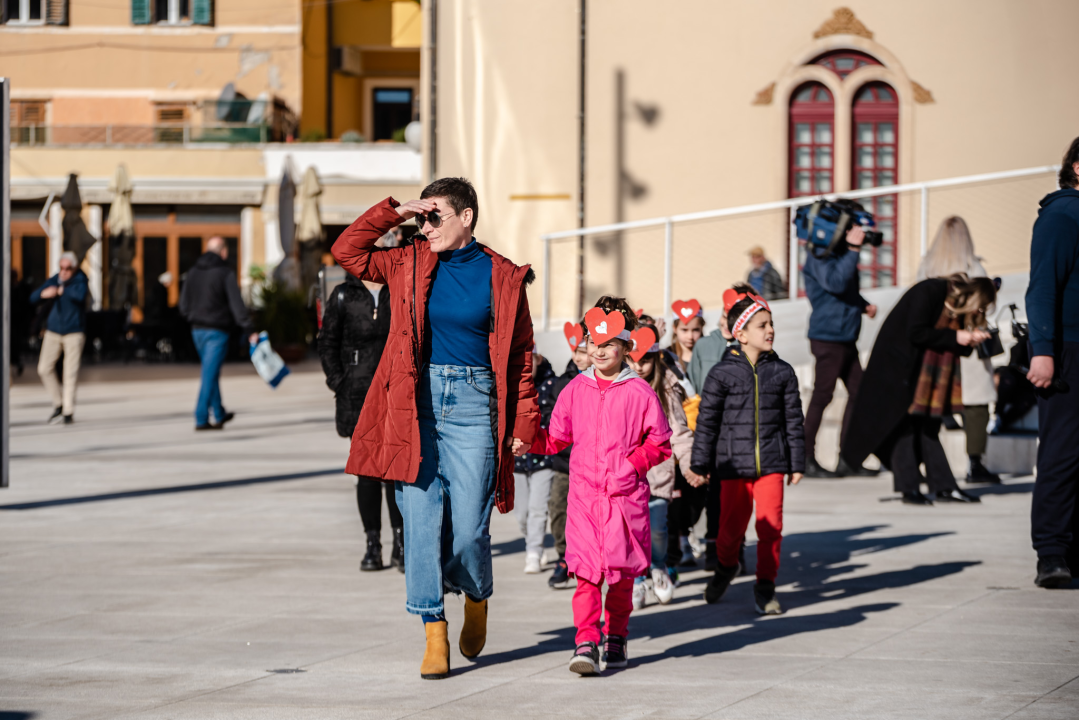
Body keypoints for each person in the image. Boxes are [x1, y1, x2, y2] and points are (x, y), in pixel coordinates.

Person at [330, 177, 539, 680]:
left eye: (435, 215)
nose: (427, 226)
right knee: (420, 525)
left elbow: (522, 356)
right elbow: (347, 250)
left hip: (474, 406)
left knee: (469, 529)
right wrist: (396, 213)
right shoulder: (407, 260)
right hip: (415, 404)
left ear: (466, 217)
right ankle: (433, 629)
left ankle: (476, 596)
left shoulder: (503, 276)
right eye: (422, 218)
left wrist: (525, 419)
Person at [526, 296, 672, 675]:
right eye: (594, 342)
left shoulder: (640, 392)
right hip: (585, 502)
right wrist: (528, 440)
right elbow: (556, 438)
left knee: (622, 578)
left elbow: (660, 443)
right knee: (587, 575)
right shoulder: (575, 389)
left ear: (625, 347)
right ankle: (586, 641)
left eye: (608, 344)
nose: (599, 350)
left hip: (625, 502)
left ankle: (617, 636)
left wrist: (632, 465)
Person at [691, 288, 805, 615]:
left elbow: (793, 421)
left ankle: (765, 587)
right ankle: (726, 568)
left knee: (770, 529)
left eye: (771, 324)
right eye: (761, 325)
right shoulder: (721, 374)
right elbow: (708, 423)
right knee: (729, 534)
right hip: (733, 468)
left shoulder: (782, 372)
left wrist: (796, 463)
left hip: (772, 464)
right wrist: (700, 464)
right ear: (740, 333)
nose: (770, 330)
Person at [842, 275, 996, 505]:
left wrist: (970, 338)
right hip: (897, 366)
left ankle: (943, 487)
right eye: (981, 307)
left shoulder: (956, 306)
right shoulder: (931, 291)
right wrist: (957, 336)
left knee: (928, 427)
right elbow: (916, 331)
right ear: (973, 298)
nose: (980, 312)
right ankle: (911, 488)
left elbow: (951, 344)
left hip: (924, 372)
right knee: (904, 426)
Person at [317, 264, 403, 573]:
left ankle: (400, 543)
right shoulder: (344, 294)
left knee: (395, 471)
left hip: (395, 396)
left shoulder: (399, 289)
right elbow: (327, 342)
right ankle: (373, 544)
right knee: (367, 473)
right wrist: (340, 381)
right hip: (357, 398)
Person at [1026, 137, 1079, 589]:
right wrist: (1042, 350)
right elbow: (1043, 288)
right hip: (1069, 352)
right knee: (1063, 452)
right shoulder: (1062, 215)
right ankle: (1052, 553)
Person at [916, 216, 1002, 484]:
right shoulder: (973, 268)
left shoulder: (927, 267)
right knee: (976, 404)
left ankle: (917, 464)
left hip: (937, 343)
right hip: (969, 340)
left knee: (930, 404)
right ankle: (975, 463)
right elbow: (986, 308)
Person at [627, 325, 702, 609]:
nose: (638, 366)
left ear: (656, 358)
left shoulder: (668, 388)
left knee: (657, 529)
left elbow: (680, 432)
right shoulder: (618, 387)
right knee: (631, 533)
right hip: (626, 476)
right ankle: (636, 581)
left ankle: (658, 566)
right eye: (632, 360)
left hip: (658, 475)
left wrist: (690, 465)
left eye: (644, 360)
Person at [802, 219, 878, 477]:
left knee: (861, 392)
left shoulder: (838, 254)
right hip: (827, 337)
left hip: (846, 336)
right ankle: (804, 458)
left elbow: (842, 291)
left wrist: (862, 303)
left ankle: (848, 458)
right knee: (823, 394)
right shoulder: (819, 254)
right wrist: (854, 250)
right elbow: (834, 283)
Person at [179, 237, 258, 431]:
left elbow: (183, 305)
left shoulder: (193, 272)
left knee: (209, 371)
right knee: (209, 373)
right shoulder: (225, 273)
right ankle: (200, 417)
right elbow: (237, 306)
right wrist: (249, 329)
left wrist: (194, 317)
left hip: (197, 330)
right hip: (217, 331)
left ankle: (220, 412)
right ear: (223, 252)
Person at [548, 338, 591, 589]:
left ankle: (586, 559)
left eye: (584, 352)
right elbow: (554, 424)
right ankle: (563, 558)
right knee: (557, 508)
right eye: (576, 351)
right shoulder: (562, 383)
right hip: (564, 463)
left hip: (590, 463)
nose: (579, 357)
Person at [513, 348, 558, 574]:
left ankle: (534, 551)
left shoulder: (551, 386)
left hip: (544, 458)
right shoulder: (511, 387)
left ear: (538, 359)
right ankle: (532, 540)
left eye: (529, 360)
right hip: (518, 463)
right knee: (522, 512)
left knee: (537, 508)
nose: (526, 366)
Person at [30, 252, 89, 424]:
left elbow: (79, 296)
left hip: (74, 333)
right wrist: (44, 294)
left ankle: (68, 412)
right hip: (53, 331)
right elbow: (33, 297)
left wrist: (61, 290)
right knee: (44, 368)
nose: (63, 272)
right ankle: (59, 404)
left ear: (74, 268)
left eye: (67, 269)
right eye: (61, 268)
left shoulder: (81, 280)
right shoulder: (55, 279)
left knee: (69, 373)